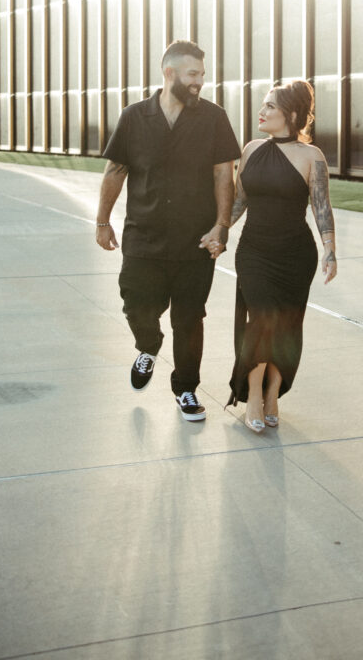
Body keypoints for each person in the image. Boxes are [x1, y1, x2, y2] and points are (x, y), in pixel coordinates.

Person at [95, 40, 240, 421]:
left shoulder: (214, 118)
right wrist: (102, 221)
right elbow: (116, 171)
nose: (200, 83)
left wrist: (221, 225)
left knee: (190, 319)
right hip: (143, 236)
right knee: (136, 304)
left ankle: (186, 389)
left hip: (196, 241)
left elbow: (224, 174)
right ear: (170, 73)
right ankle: (148, 344)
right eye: (193, 75)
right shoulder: (134, 117)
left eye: (203, 76)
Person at [227, 80, 337, 432]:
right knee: (260, 320)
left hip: (295, 256)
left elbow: (322, 207)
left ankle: (273, 392)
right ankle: (254, 394)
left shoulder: (311, 156)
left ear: (290, 113)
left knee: (286, 328)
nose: (262, 111)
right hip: (254, 253)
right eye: (263, 105)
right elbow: (238, 201)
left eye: (270, 106)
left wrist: (330, 250)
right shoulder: (251, 149)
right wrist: (218, 232)